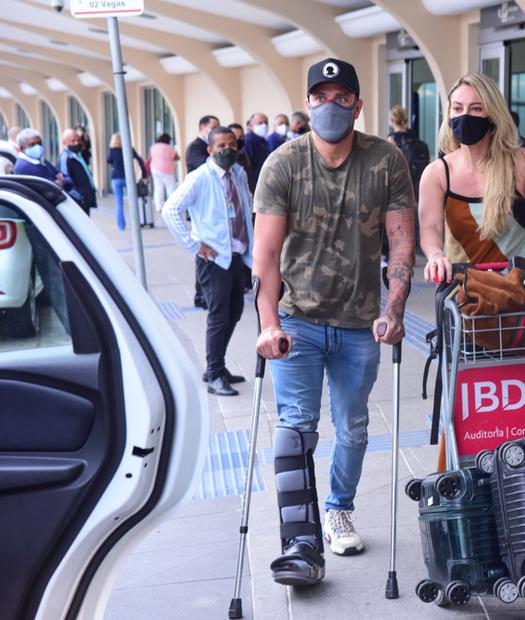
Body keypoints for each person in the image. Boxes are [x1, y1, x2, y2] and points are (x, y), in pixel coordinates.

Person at [252, 57, 415, 586]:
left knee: (353, 427)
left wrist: (393, 311)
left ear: (357, 104)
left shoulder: (386, 161)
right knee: (295, 430)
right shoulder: (282, 164)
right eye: (320, 96)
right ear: (307, 104)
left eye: (341, 96)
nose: (330, 105)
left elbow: (401, 245)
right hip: (296, 323)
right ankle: (300, 542)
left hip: (359, 323)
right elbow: (266, 258)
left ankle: (339, 508)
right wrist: (268, 322)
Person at [420, 72, 525, 284]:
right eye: (457, 108)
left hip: (522, 292)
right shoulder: (438, 174)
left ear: (493, 115)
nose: (465, 116)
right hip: (467, 295)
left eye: (476, 108)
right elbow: (431, 228)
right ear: (448, 115)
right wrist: (435, 255)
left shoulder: (524, 164)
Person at [162, 126, 253, 397]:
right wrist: (194, 245)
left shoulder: (238, 173)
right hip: (213, 260)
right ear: (210, 150)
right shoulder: (199, 177)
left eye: (231, 144)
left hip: (237, 254)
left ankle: (218, 366)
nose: (227, 150)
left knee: (235, 312)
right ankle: (214, 374)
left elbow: (246, 208)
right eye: (220, 146)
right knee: (218, 316)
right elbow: (171, 210)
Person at [186, 115, 220, 308]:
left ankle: (203, 294)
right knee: (203, 252)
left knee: (208, 253)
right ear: (202, 128)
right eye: (213, 127)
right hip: (201, 209)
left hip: (210, 207)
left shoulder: (206, 146)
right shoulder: (196, 148)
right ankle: (201, 296)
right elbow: (207, 168)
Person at [106, 133, 146, 231]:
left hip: (116, 178)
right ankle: (136, 223)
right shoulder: (128, 149)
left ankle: (121, 225)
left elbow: (109, 161)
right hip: (128, 178)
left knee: (119, 203)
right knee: (133, 201)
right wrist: (143, 174)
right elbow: (140, 160)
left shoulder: (112, 151)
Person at [59, 128, 97, 215]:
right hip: (78, 203)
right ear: (65, 142)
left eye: (78, 140)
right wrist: (80, 197)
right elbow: (65, 181)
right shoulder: (66, 159)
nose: (77, 143)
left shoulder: (78, 156)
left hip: (85, 202)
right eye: (73, 141)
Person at [149, 133, 179, 218]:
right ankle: (172, 205)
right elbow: (176, 157)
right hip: (166, 169)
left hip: (154, 168)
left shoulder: (154, 146)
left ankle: (159, 206)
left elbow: (151, 156)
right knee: (171, 187)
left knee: (158, 187)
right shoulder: (169, 148)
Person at [244, 112, 271, 193]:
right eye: (260, 123)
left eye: (266, 123)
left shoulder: (264, 141)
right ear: (251, 125)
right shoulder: (248, 141)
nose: (264, 125)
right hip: (255, 183)